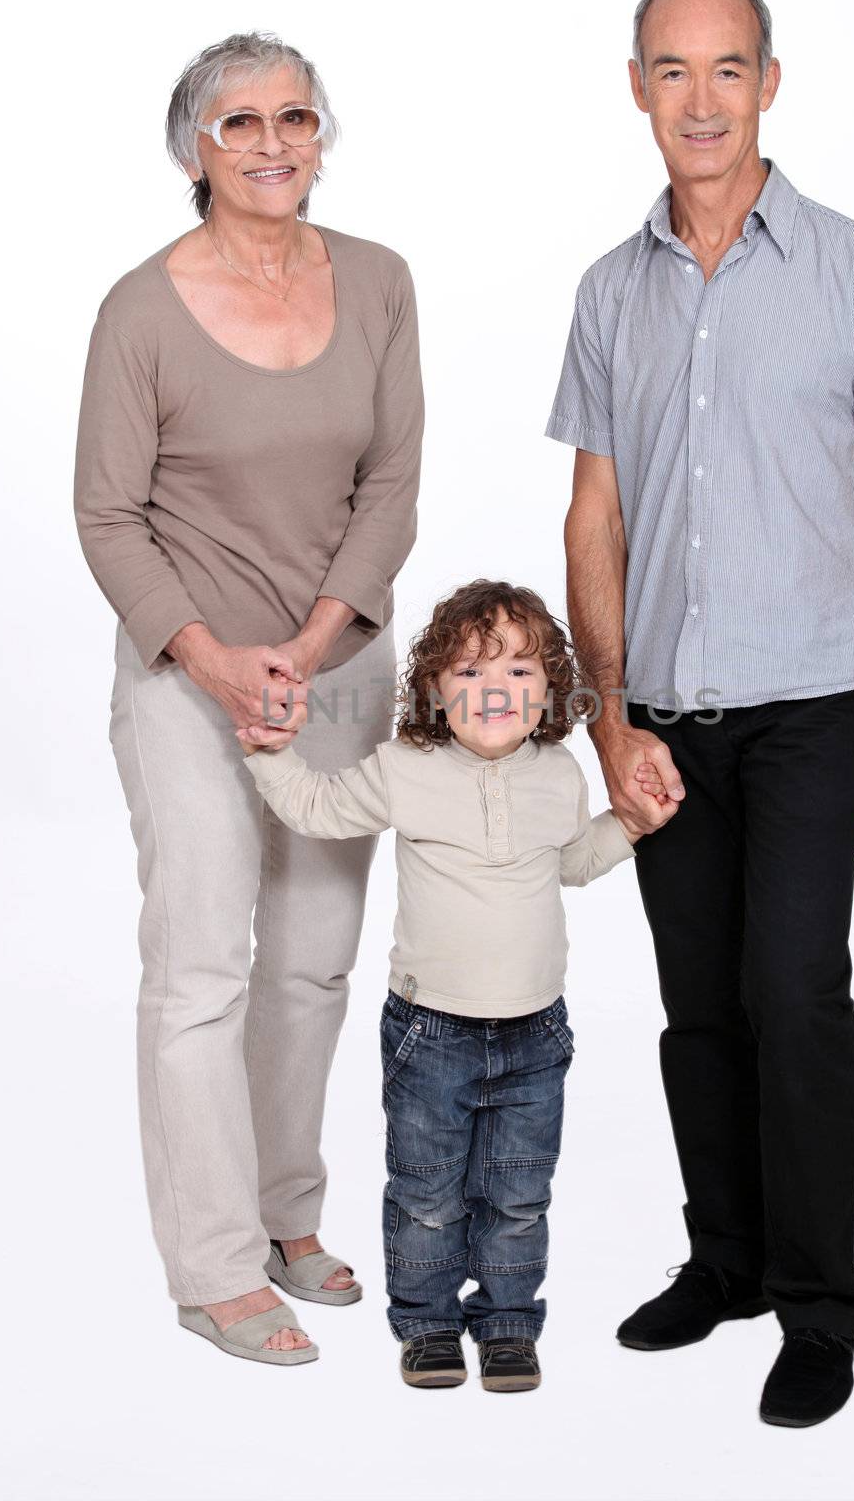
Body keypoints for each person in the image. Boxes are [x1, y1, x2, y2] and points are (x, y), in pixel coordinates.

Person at [544, 0, 854, 1426]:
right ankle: (719, 1267)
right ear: (636, 87)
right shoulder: (608, 290)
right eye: (670, 71)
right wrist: (605, 713)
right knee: (694, 1004)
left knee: (792, 993)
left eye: (726, 71)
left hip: (813, 701)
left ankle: (816, 1304)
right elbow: (594, 520)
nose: (699, 101)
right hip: (662, 713)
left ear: (767, 83)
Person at [73, 32, 424, 1364]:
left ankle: (286, 1215)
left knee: (315, 964)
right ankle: (213, 1267)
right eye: (239, 125)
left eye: (296, 116)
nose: (274, 142)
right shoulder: (140, 311)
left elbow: (389, 486)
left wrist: (319, 639)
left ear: (321, 135)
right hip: (186, 676)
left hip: (337, 671)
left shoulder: (381, 282)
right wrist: (220, 662)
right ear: (192, 153)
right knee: (206, 964)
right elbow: (106, 518)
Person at [236, 580, 675, 1389]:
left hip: (535, 1032)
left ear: (551, 690)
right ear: (434, 693)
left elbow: (572, 865)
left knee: (516, 1197)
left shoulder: (559, 775)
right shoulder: (406, 767)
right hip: (428, 1031)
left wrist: (632, 826)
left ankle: (508, 1323)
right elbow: (318, 807)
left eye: (517, 670)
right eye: (468, 673)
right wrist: (270, 752)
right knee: (427, 1194)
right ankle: (428, 1323)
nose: (494, 689)